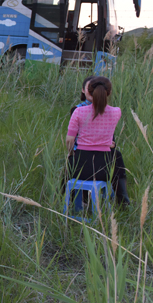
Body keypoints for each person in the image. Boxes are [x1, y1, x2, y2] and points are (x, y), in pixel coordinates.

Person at [66, 76, 130, 206]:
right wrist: (106, 143)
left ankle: (71, 199)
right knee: (117, 157)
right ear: (109, 92)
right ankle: (123, 201)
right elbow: (106, 133)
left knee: (70, 161)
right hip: (104, 171)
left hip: (80, 169)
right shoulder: (116, 112)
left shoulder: (78, 111)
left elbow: (69, 140)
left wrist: (71, 154)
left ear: (89, 91)